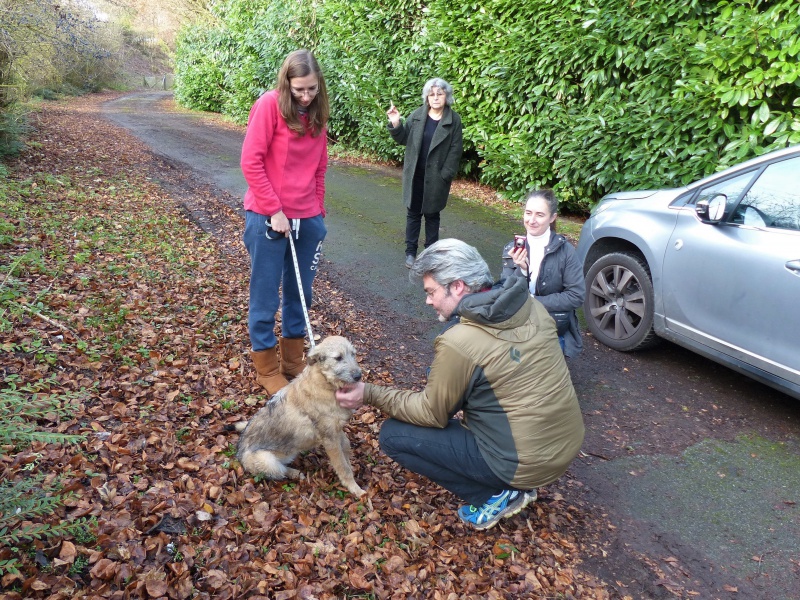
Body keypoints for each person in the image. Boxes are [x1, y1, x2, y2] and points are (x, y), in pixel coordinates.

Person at [336, 239, 585, 530]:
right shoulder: (530, 305)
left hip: (524, 463)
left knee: (394, 436)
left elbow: (432, 413)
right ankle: (515, 479)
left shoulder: (461, 341)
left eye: (431, 292)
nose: (427, 301)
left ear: (457, 286)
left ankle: (495, 494)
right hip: (564, 445)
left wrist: (369, 392)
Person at [241, 49, 329, 394]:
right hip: (268, 216)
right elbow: (251, 162)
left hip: (307, 219)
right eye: (299, 90)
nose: (306, 96)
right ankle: (266, 367)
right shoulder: (269, 105)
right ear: (287, 84)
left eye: (311, 89)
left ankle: (293, 362)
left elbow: (320, 167)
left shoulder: (318, 113)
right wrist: (273, 209)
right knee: (265, 294)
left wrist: (318, 212)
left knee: (301, 293)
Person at [386, 78, 463, 269]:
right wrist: (396, 123)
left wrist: (446, 174)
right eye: (432, 94)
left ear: (447, 96)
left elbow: (455, 150)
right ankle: (410, 253)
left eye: (440, 94)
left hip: (437, 177)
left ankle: (430, 255)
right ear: (427, 97)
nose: (435, 98)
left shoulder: (453, 121)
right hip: (415, 174)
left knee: (432, 215)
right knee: (413, 213)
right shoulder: (417, 115)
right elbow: (404, 139)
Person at [502, 189, 585, 358]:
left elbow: (576, 295)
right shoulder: (512, 248)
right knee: (510, 368)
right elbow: (506, 294)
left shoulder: (566, 251)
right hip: (519, 324)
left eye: (539, 215)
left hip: (552, 325)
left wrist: (535, 302)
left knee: (538, 373)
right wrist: (522, 270)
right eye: (528, 213)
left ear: (552, 217)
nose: (531, 220)